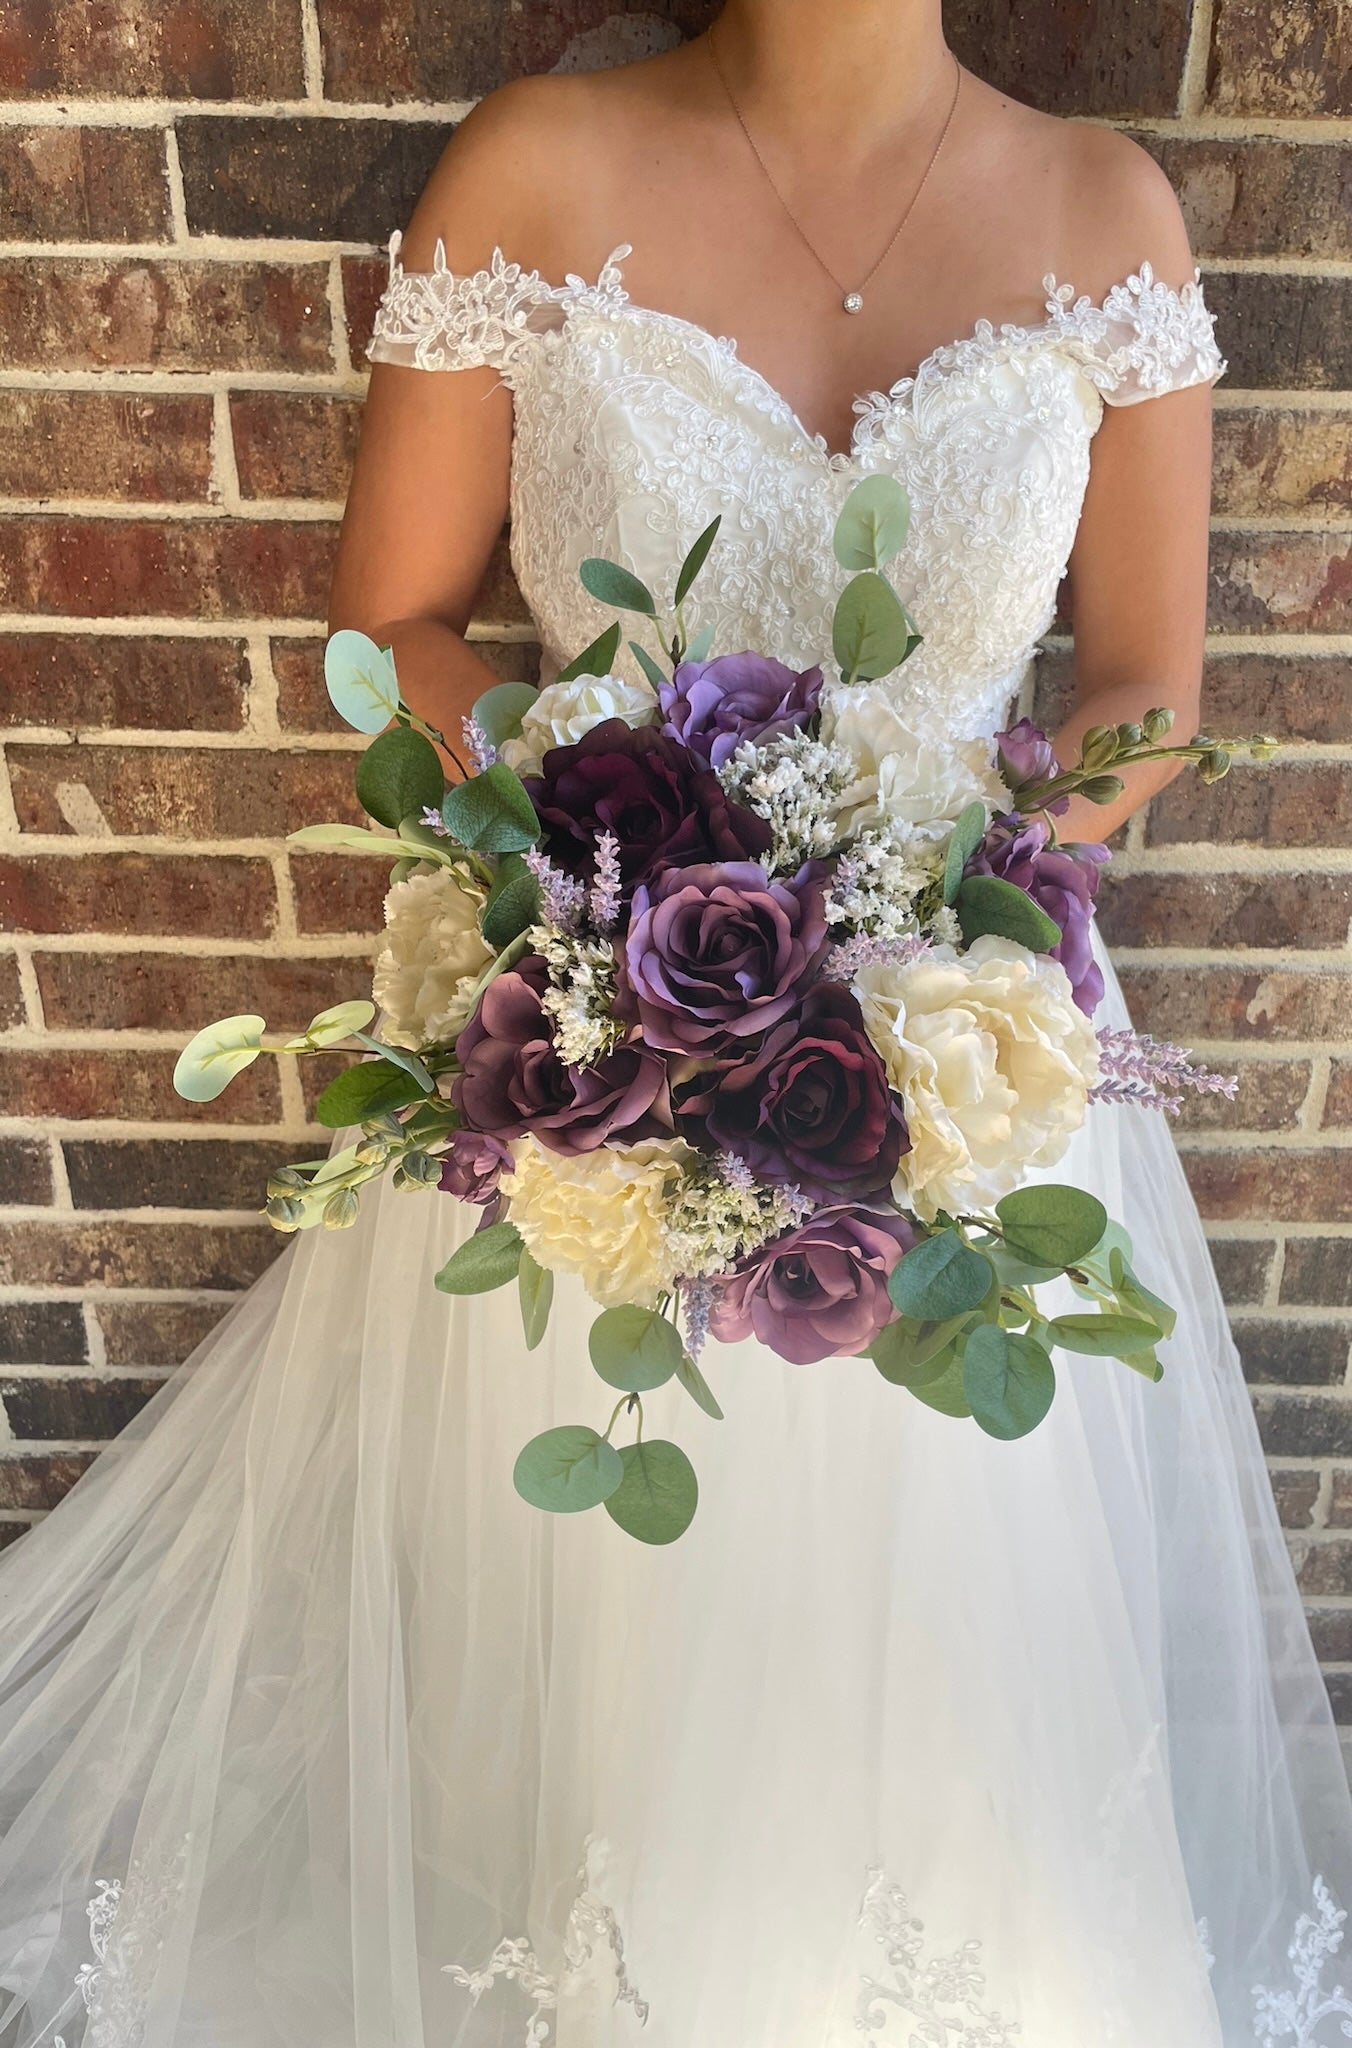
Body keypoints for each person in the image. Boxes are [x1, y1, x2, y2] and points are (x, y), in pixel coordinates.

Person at [1, 3, 1349, 2042]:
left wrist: (919, 917)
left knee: (946, 1636)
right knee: (599, 1643)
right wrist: (619, 884)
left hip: (970, 1063)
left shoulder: (1103, 208)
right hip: (598, 1051)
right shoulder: (535, 167)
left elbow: (1146, 682)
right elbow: (391, 622)